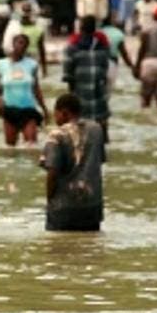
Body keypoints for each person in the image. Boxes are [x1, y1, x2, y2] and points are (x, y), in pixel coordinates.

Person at [40, 93, 105, 232]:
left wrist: (49, 200)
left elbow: (52, 173)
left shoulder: (57, 135)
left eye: (55, 114)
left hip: (63, 208)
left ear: (64, 113)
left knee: (59, 249)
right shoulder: (96, 130)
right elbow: (99, 162)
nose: (55, 118)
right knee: (89, 249)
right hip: (92, 207)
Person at [0, 33, 48, 146]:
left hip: (28, 110)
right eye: (19, 43)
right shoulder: (1, 64)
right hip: (9, 110)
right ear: (13, 44)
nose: (22, 46)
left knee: (31, 145)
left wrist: (44, 109)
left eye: (25, 45)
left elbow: (36, 88)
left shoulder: (32, 65)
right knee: (10, 148)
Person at [62, 15, 111, 136]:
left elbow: (68, 73)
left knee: (79, 128)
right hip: (98, 91)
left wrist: (71, 93)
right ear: (95, 29)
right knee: (101, 125)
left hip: (80, 91)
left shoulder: (73, 47)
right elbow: (105, 69)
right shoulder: (102, 46)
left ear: (81, 28)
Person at [133, 3, 157, 109]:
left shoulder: (147, 30)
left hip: (148, 62)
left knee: (146, 98)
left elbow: (142, 50)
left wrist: (137, 66)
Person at [3, 1, 48, 76]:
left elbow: (41, 49)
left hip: (30, 60)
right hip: (21, 59)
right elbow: (7, 46)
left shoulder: (15, 28)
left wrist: (44, 68)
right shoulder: (15, 28)